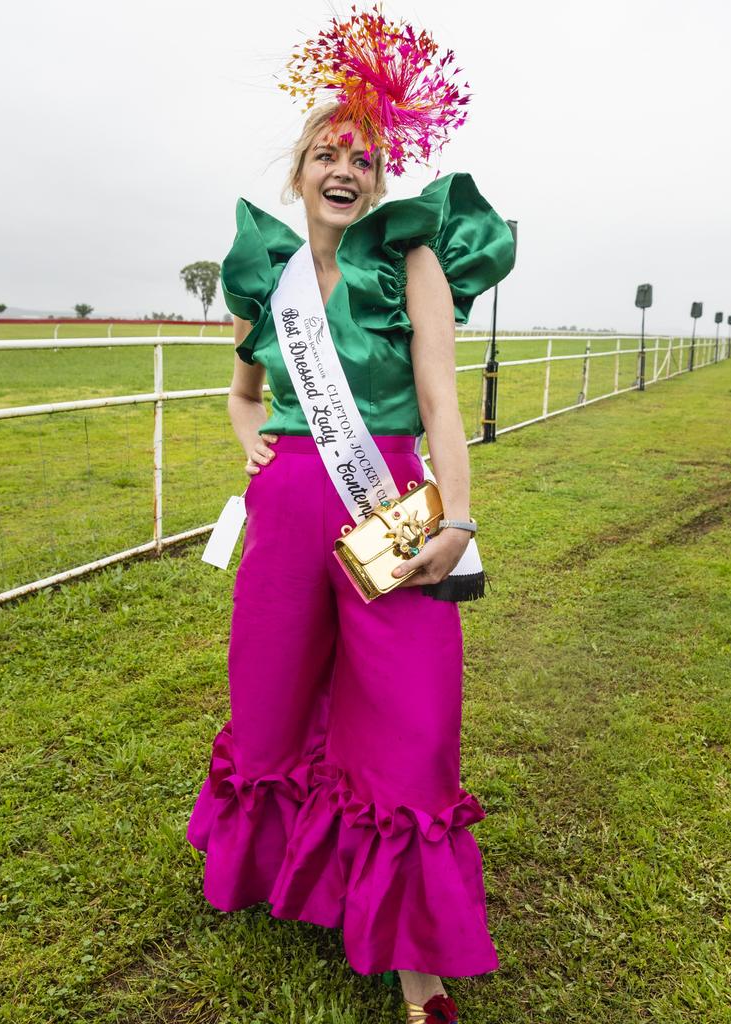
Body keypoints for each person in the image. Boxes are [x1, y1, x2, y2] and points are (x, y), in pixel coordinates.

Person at [187, 12, 515, 1022]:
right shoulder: (266, 279)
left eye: (365, 158)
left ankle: (419, 966)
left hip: (395, 499)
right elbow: (246, 388)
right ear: (301, 169)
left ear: (382, 175)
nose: (347, 168)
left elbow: (444, 402)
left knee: (415, 712)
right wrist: (252, 433)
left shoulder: (405, 259)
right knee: (275, 697)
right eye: (329, 152)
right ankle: (284, 875)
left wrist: (457, 521)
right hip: (286, 505)